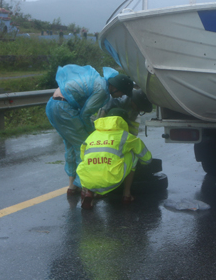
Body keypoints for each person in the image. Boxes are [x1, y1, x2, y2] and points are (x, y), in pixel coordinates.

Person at [45, 65, 135, 195]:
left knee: (71, 145)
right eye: (122, 93)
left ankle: (72, 186)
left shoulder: (100, 82)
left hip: (53, 105)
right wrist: (92, 133)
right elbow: (85, 114)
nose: (121, 96)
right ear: (115, 88)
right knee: (85, 146)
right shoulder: (103, 91)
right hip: (64, 108)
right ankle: (87, 188)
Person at [76, 108, 153, 210]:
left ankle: (89, 192)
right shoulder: (126, 136)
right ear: (123, 122)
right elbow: (147, 158)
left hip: (86, 180)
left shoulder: (92, 135)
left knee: (89, 159)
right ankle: (127, 195)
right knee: (133, 154)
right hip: (112, 178)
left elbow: (82, 156)